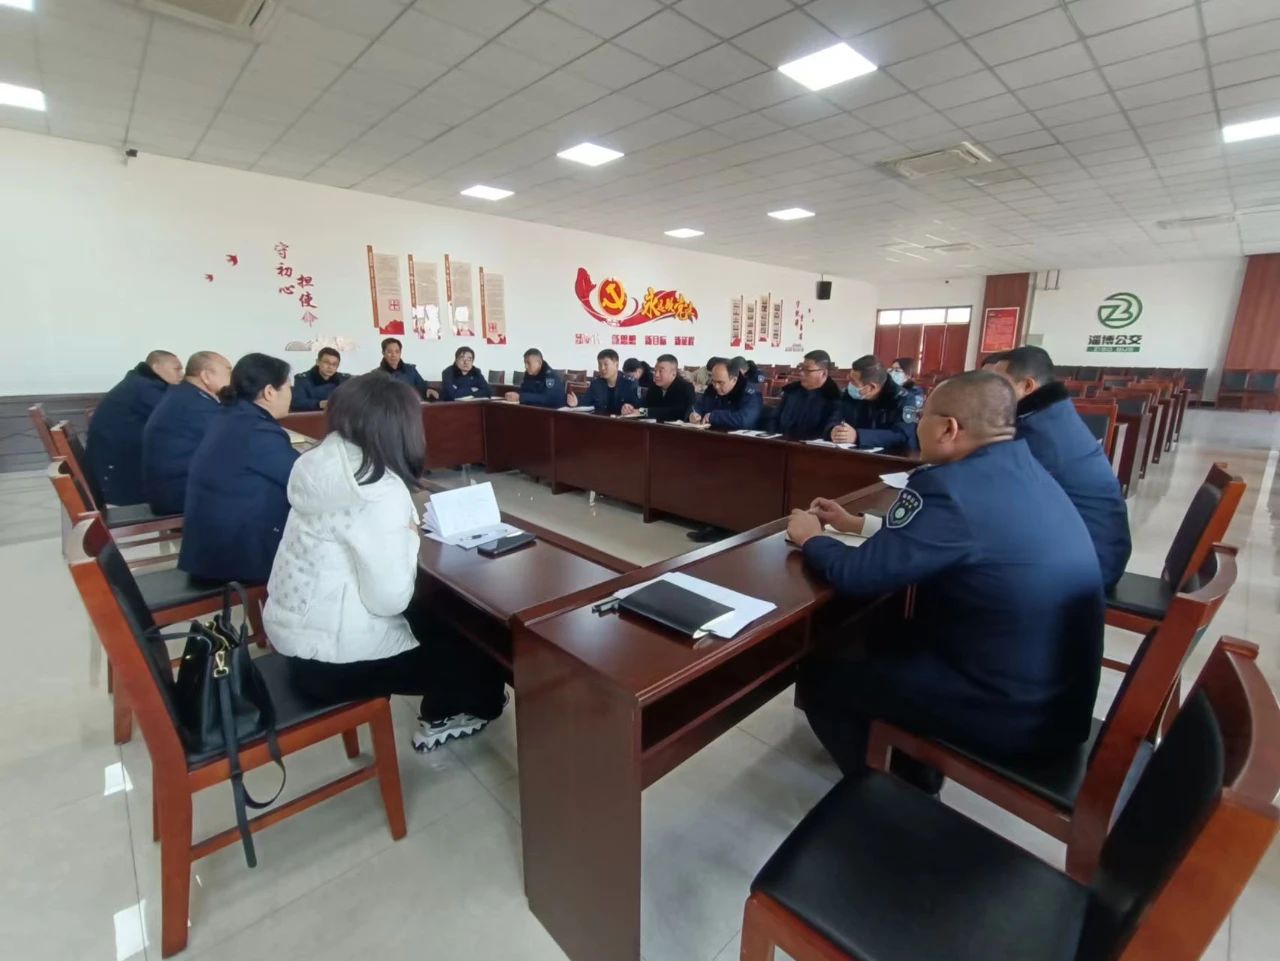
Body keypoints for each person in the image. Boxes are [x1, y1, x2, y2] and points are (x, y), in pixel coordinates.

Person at [785, 371, 1104, 790]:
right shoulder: (1025, 466)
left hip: (1006, 711)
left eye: (922, 416)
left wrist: (811, 538)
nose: (916, 424)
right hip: (1057, 699)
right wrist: (855, 524)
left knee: (822, 674)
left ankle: (897, 795)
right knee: (881, 631)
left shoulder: (948, 486)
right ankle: (904, 759)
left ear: (949, 428)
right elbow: (950, 538)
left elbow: (858, 575)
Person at [264, 373, 506, 753]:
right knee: (478, 647)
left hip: (294, 636)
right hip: (331, 665)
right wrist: (409, 535)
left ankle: (453, 696)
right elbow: (390, 600)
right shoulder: (377, 489)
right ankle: (454, 712)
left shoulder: (319, 464)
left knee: (440, 616)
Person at [989, 346, 1132, 589]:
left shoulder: (1041, 434)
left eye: (997, 384)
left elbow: (998, 500)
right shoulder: (1050, 415)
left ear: (1027, 386)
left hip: (1088, 566)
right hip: (1091, 551)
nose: (988, 392)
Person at [179, 353, 299, 585]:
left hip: (210, 551)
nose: (291, 394)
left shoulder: (230, 415)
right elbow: (303, 479)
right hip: (234, 559)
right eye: (288, 387)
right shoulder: (257, 430)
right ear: (269, 392)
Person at [85, 350, 183, 505]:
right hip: (120, 480)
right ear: (156, 368)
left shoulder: (140, 382)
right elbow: (177, 419)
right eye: (177, 369)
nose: (181, 375)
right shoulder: (145, 388)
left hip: (113, 470)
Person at [141, 351, 232, 515]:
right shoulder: (196, 406)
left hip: (170, 489)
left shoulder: (185, 394)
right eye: (229, 371)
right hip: (179, 495)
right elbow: (232, 444)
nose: (233, 379)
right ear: (206, 376)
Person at [827, 354, 923, 450]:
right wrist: (832, 430)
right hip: (857, 451)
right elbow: (835, 416)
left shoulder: (905, 399)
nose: (849, 385)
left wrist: (858, 436)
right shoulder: (849, 394)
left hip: (896, 455)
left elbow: (902, 434)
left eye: (854, 382)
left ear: (872, 387)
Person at [777, 349, 842, 440]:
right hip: (781, 442)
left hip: (812, 446)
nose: (801, 373)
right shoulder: (792, 392)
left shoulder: (834, 397)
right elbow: (775, 419)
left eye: (807, 370)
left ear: (823, 373)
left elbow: (829, 429)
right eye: (801, 368)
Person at [689, 357, 762, 429]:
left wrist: (714, 416)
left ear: (734, 380)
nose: (716, 386)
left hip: (739, 435)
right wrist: (693, 414)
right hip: (712, 433)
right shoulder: (712, 388)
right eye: (713, 381)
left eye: (720, 382)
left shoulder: (750, 393)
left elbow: (744, 420)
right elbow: (698, 406)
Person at [567, 349, 641, 414]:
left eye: (606, 364)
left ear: (616, 365)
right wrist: (576, 403)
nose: (602, 368)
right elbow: (586, 402)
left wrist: (631, 409)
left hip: (622, 423)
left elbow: (640, 409)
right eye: (599, 364)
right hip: (600, 422)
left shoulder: (630, 383)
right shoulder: (596, 384)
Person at [625, 353, 693, 421]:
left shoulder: (685, 388)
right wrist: (630, 409)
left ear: (673, 373)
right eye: (655, 370)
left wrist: (642, 412)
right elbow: (645, 406)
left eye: (661, 371)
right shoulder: (654, 386)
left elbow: (675, 413)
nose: (656, 375)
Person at [291, 347, 349, 411]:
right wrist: (319, 404)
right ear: (318, 362)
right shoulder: (303, 380)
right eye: (326, 362)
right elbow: (296, 402)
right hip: (312, 416)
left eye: (334, 364)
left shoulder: (344, 380)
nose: (330, 367)